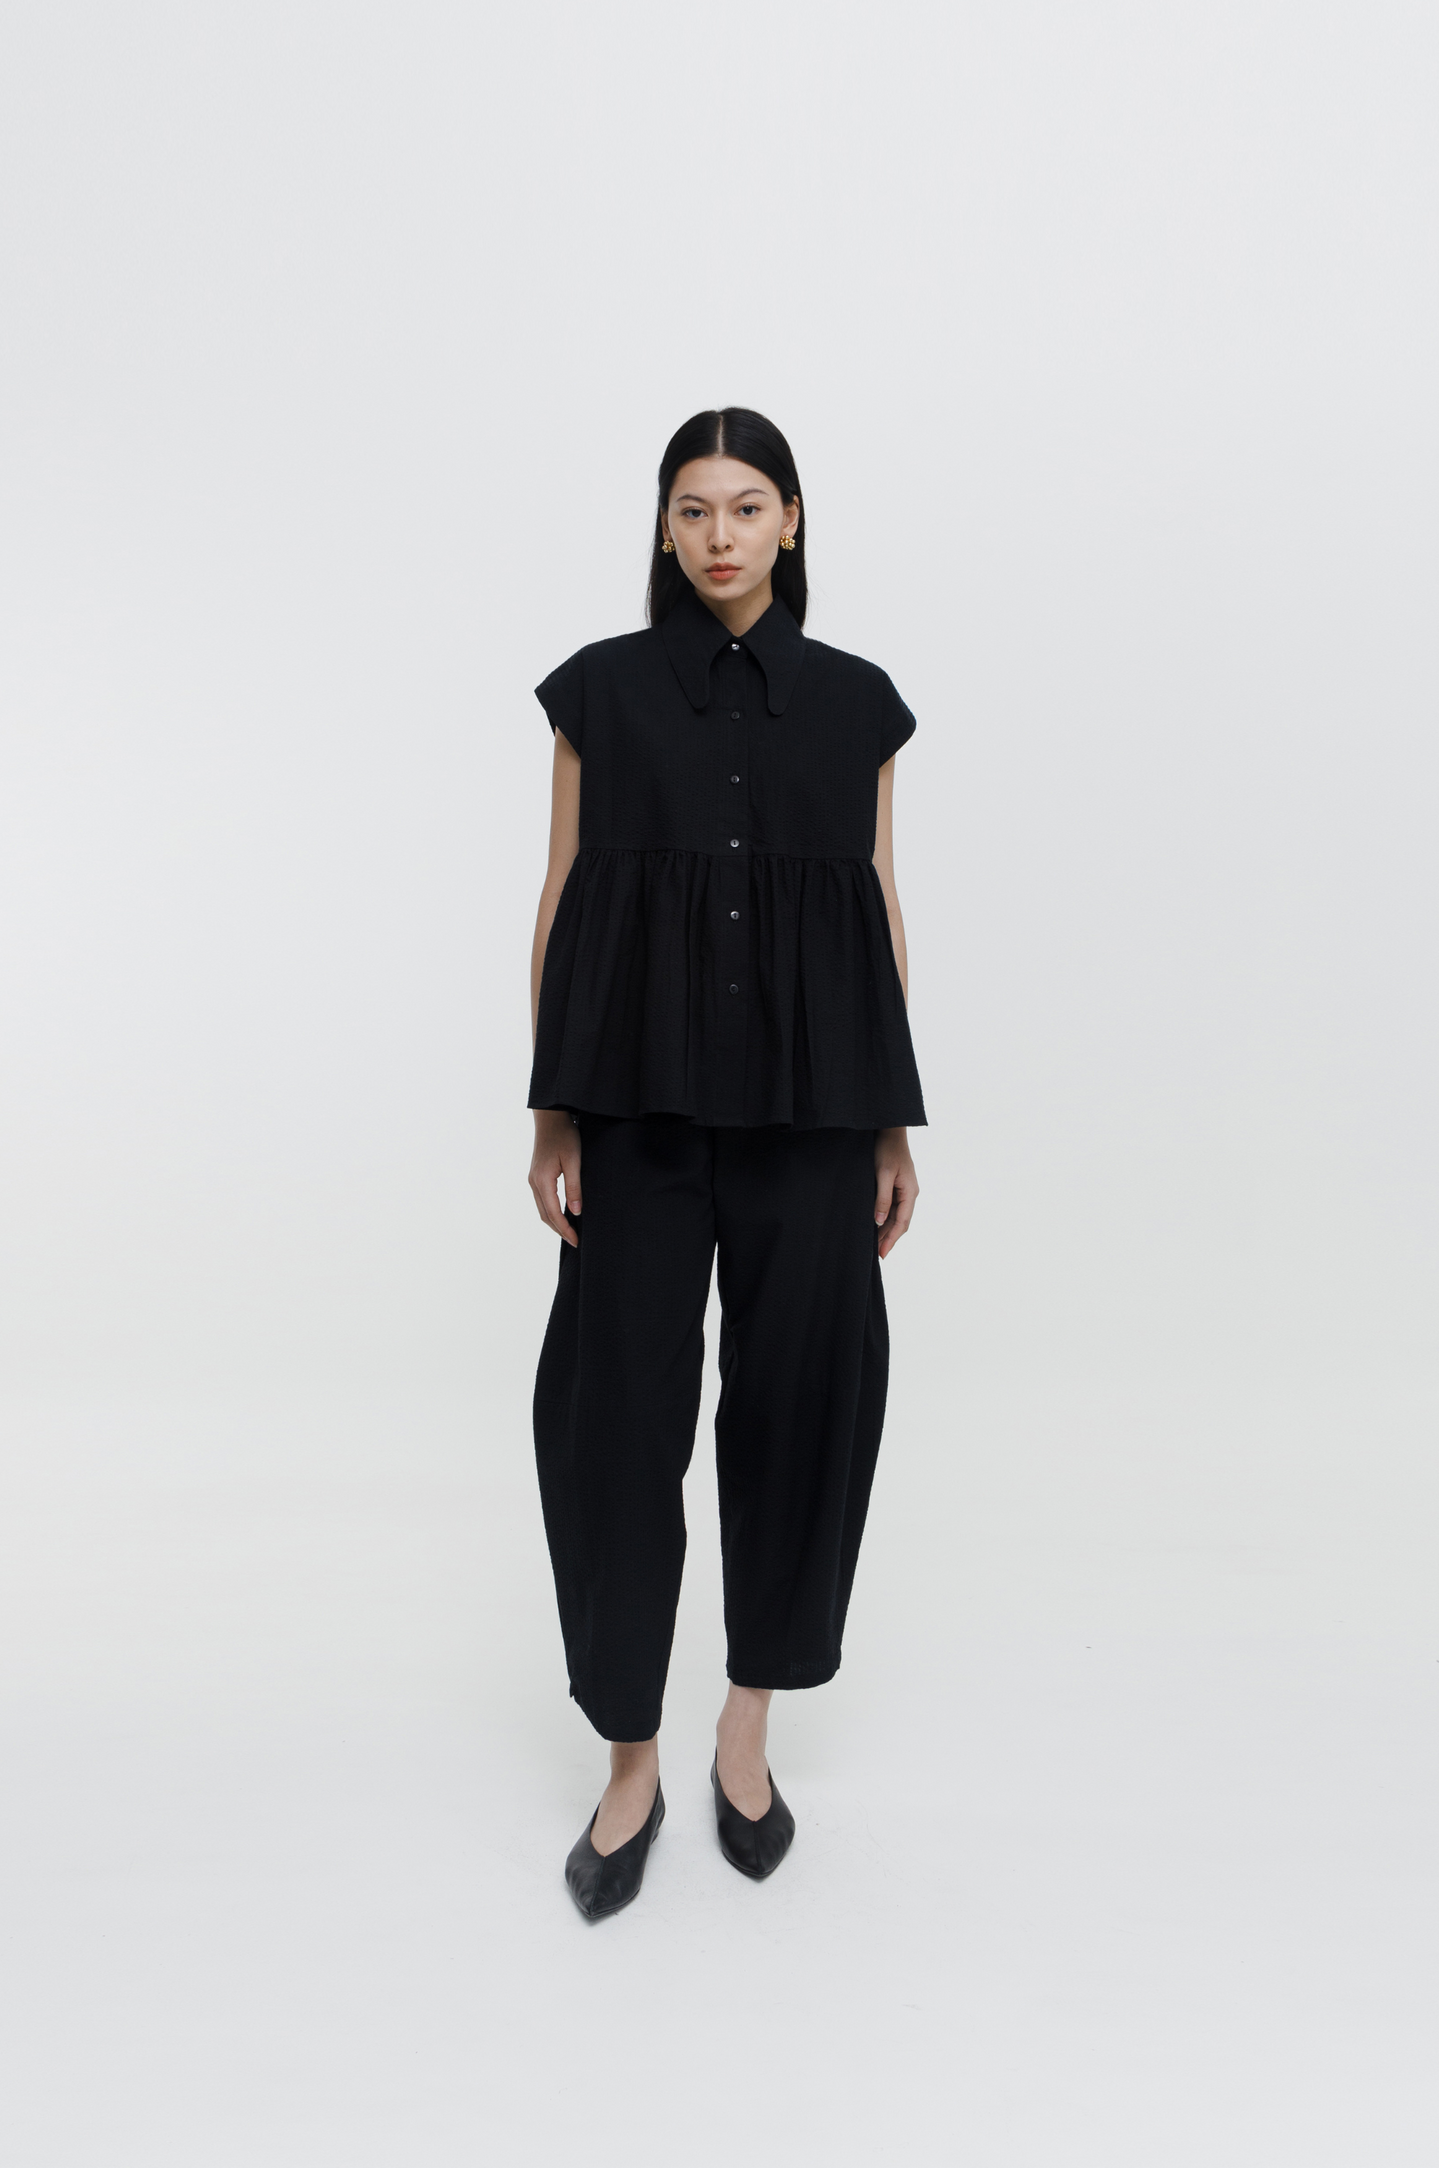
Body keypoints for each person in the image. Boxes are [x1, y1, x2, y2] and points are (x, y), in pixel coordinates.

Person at [526, 407, 925, 1920]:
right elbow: (560, 894)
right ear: (665, 526)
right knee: (612, 1421)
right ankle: (630, 1760)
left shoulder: (858, 704)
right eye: (693, 508)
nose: (719, 535)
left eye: (746, 506)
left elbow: (877, 903)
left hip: (815, 1119)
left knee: (805, 1411)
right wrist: (553, 1114)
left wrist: (889, 1118)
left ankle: (745, 1732)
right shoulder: (601, 691)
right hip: (635, 1113)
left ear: (791, 523)